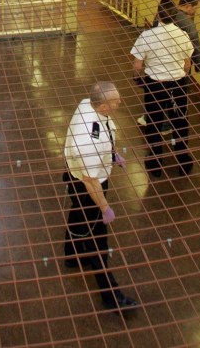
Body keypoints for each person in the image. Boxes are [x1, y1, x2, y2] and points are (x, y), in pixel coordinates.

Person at [63, 82, 138, 314]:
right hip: (88, 186)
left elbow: (105, 129)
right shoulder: (88, 140)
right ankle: (111, 295)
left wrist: (112, 154)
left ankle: (72, 255)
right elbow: (90, 181)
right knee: (98, 238)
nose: (120, 102)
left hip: (78, 176)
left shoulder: (89, 104)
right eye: (115, 101)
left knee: (77, 213)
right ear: (104, 105)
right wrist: (104, 207)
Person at [131, 0, 194, 177]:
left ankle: (155, 161)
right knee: (180, 122)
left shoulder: (147, 36)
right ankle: (184, 161)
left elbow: (137, 65)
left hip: (155, 85)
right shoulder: (183, 35)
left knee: (154, 122)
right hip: (177, 85)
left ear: (158, 14)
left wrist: (138, 79)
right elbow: (187, 64)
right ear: (175, 16)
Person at [174, 0, 200, 73]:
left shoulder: (164, 13)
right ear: (188, 6)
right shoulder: (188, 24)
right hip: (181, 63)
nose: (196, 11)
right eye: (195, 8)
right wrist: (199, 65)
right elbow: (195, 44)